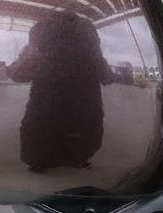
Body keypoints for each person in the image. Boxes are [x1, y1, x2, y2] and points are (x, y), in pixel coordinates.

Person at [7, 12, 124, 172]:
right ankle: (78, 159)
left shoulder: (39, 49)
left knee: (39, 141)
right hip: (83, 120)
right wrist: (120, 76)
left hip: (43, 122)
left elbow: (18, 75)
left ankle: (39, 164)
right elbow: (106, 77)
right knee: (82, 138)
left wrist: (24, 58)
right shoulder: (90, 49)